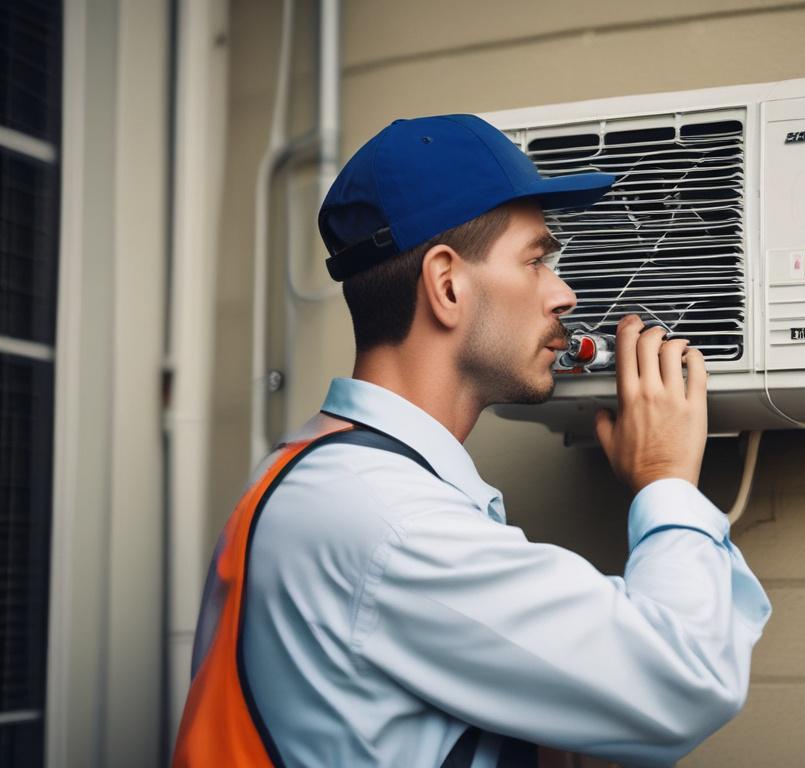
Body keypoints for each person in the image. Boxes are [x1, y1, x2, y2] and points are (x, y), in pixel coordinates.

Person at [173, 114, 771, 768]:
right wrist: (665, 480)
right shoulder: (386, 520)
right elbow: (684, 681)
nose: (564, 294)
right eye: (537, 260)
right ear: (447, 284)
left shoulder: (324, 474)